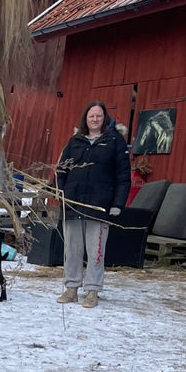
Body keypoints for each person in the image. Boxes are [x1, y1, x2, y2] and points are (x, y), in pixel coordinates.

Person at [51, 100, 130, 307]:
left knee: (96, 250)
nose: (95, 119)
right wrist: (58, 190)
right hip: (73, 202)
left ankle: (93, 291)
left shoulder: (114, 141)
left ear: (105, 119)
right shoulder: (75, 141)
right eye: (91, 116)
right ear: (85, 119)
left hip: (99, 205)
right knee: (72, 249)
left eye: (99, 116)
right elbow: (61, 169)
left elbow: (123, 175)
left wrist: (117, 204)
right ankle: (71, 288)